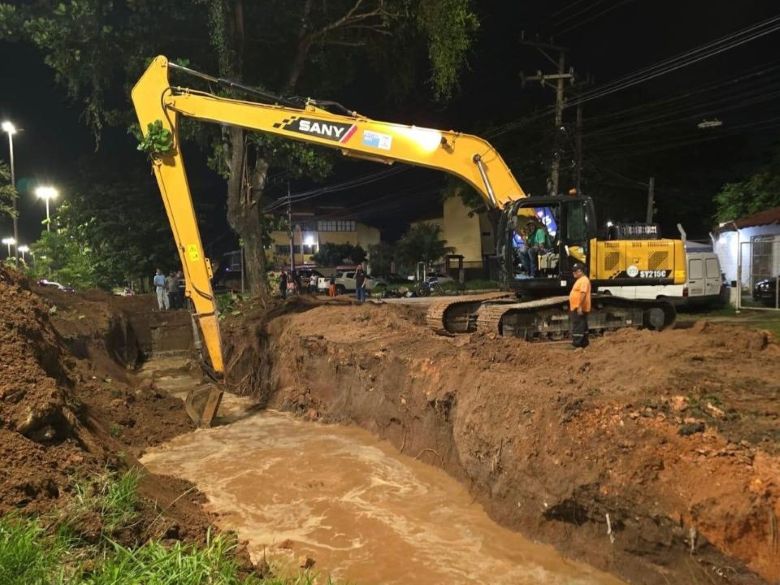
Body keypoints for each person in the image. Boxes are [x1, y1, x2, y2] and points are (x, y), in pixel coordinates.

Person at [569, 262, 591, 348]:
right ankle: (584, 343)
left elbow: (583, 294)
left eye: (575, 271)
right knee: (583, 324)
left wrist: (579, 306)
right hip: (578, 306)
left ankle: (576, 344)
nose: (573, 273)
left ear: (580, 271)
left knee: (578, 325)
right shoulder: (581, 280)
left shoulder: (584, 280)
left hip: (579, 307)